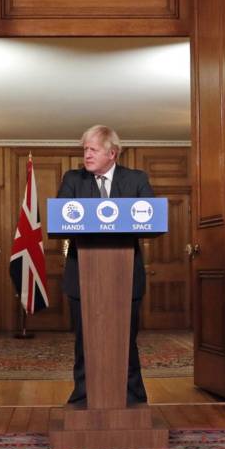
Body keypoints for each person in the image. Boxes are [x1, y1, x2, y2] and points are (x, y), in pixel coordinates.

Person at [58, 125, 154, 405]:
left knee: (126, 340)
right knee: (84, 341)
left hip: (125, 276)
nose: (86, 155)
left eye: (93, 150)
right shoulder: (73, 180)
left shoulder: (136, 179)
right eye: (84, 149)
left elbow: (151, 217)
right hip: (82, 274)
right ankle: (83, 398)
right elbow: (61, 215)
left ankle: (133, 397)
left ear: (112, 153)